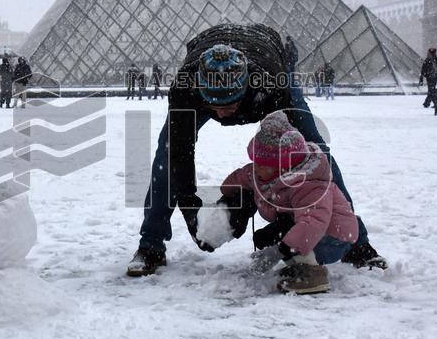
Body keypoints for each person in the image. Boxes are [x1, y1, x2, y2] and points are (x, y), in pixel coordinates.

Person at [125, 22, 385, 277]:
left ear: (246, 87)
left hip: (267, 57)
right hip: (217, 57)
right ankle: (150, 244)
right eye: (213, 103)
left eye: (228, 103)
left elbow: (308, 161)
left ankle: (357, 242)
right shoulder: (185, 89)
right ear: (200, 89)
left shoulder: (272, 86)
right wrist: (191, 209)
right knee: (166, 157)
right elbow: (177, 156)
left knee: (317, 153)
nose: (221, 113)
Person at [214, 112, 359, 294]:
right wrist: (228, 196)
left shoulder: (308, 183)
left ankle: (312, 275)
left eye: (262, 164)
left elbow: (311, 224)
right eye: (255, 161)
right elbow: (238, 179)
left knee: (286, 233)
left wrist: (278, 251)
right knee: (268, 235)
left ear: (283, 165)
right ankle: (298, 262)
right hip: (305, 229)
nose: (256, 168)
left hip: (332, 238)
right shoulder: (263, 173)